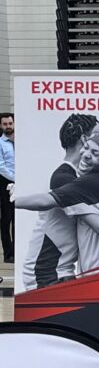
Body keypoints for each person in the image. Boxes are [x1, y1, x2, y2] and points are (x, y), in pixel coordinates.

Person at [12, 124, 99, 277]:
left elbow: (45, 200)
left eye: (95, 153)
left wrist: (12, 200)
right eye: (87, 147)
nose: (86, 154)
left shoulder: (92, 182)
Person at [16, 114, 98, 289]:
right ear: (85, 139)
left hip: (61, 270)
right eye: (97, 136)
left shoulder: (76, 176)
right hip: (46, 272)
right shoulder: (63, 177)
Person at [0, 112, 15, 262]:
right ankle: (8, 253)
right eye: (5, 124)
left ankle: (17, 250)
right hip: (6, 183)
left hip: (22, 183)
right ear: (1, 126)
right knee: (6, 219)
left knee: (19, 218)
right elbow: (1, 166)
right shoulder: (0, 143)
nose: (8, 127)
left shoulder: (20, 141)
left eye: (10, 123)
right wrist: (17, 178)